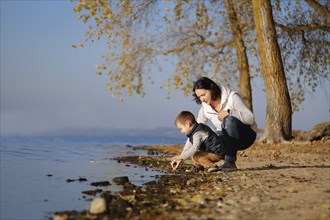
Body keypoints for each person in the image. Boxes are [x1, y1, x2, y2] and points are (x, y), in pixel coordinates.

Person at [192, 76, 257, 172]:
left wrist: (229, 112)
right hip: (227, 139)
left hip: (245, 136)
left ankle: (230, 162)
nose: (202, 99)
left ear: (211, 89)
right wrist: (182, 156)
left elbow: (250, 118)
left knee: (229, 120)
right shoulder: (204, 109)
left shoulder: (232, 97)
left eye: (203, 95)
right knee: (202, 135)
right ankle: (204, 163)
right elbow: (195, 131)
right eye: (199, 97)